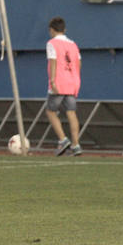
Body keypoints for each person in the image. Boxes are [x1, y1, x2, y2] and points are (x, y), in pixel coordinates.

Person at [45, 17, 83, 157]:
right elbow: (78, 62)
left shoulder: (52, 43)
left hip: (59, 82)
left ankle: (63, 139)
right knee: (71, 112)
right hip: (73, 83)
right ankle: (76, 145)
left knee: (50, 111)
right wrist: (76, 78)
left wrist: (53, 81)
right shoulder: (73, 44)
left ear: (52, 30)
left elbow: (53, 61)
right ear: (64, 29)